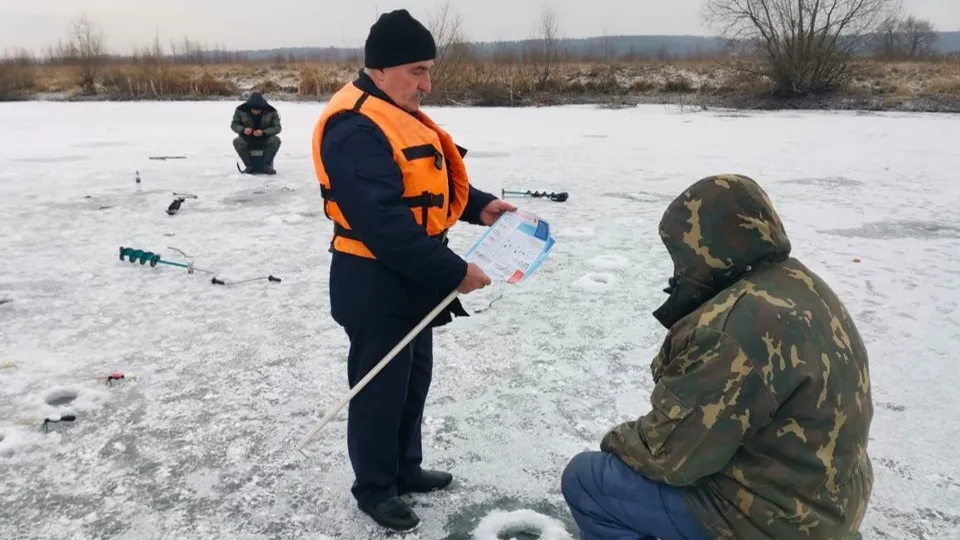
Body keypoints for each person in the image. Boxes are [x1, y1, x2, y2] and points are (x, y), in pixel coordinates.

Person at [561, 174, 873, 540]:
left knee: (588, 479)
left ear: (705, 244)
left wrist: (616, 441)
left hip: (779, 520)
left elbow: (668, 456)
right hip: (829, 502)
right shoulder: (799, 283)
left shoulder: (733, 327)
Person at [310, 8, 516, 533]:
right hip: (374, 282)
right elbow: (383, 223)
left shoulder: (389, 108)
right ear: (379, 70)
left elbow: (422, 181)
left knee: (412, 381)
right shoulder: (354, 128)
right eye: (416, 71)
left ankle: (405, 468)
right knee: (379, 390)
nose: (428, 83)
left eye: (428, 69)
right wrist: (454, 272)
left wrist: (481, 206)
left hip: (412, 278)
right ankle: (375, 489)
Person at [231, 92, 281, 174]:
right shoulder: (240, 110)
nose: (256, 112)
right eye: (254, 110)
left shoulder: (271, 111)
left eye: (258, 110)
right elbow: (234, 124)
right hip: (247, 138)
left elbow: (277, 127)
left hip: (265, 138)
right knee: (237, 141)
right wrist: (243, 130)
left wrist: (264, 132)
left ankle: (267, 166)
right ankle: (249, 166)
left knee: (276, 140)